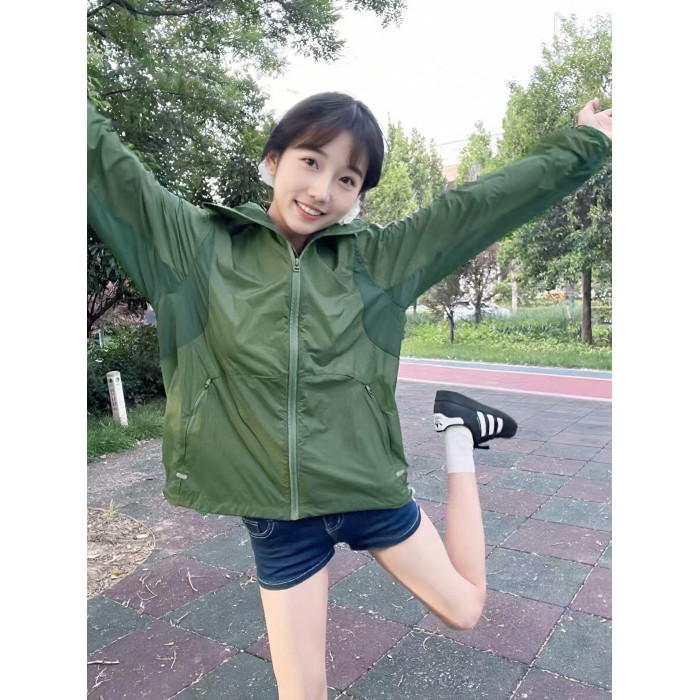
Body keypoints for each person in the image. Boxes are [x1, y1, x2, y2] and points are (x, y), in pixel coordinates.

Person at [87, 92, 612, 699]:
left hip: (365, 489)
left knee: (465, 609)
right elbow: (102, 161)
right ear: (274, 159)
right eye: (311, 162)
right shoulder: (194, 247)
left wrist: (586, 143)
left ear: (359, 193)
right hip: (277, 518)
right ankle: (459, 430)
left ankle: (459, 437)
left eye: (347, 178)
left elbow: (479, 207)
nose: (322, 190)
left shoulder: (378, 260)